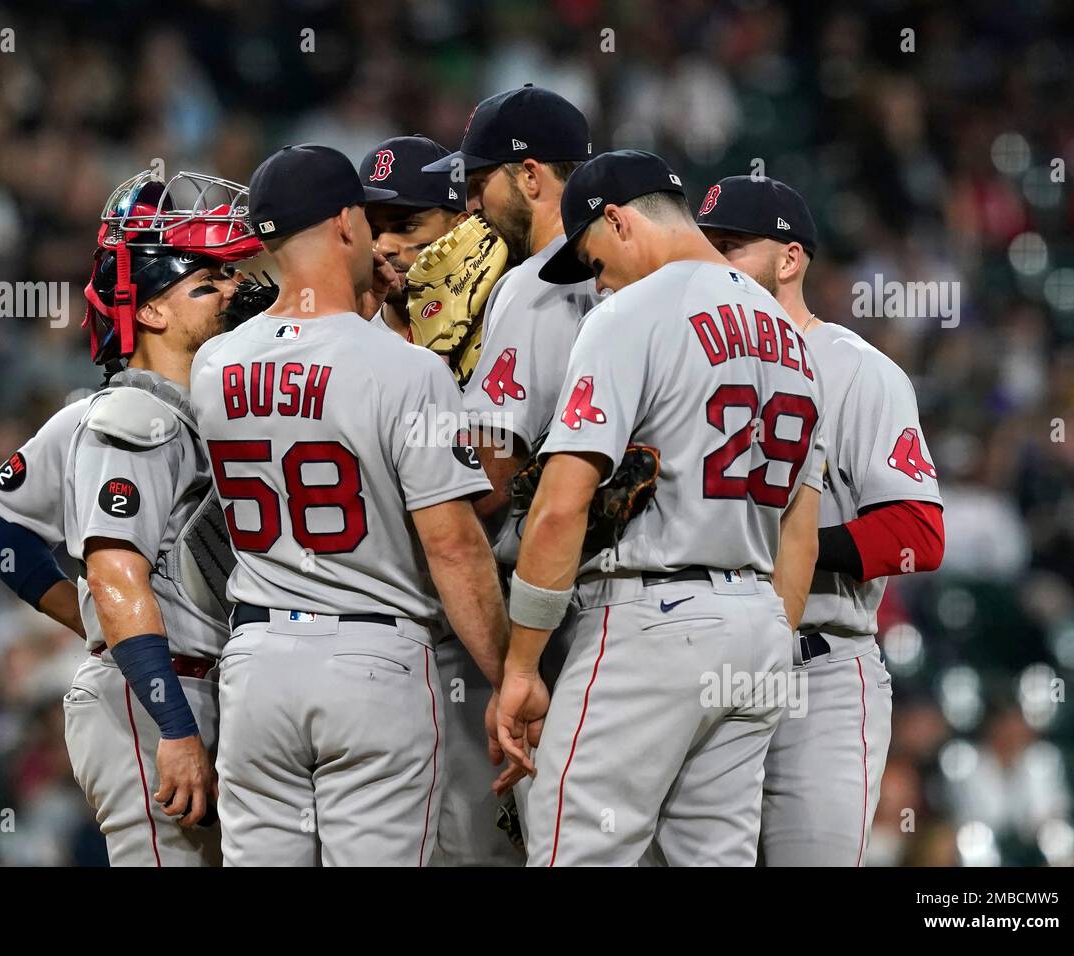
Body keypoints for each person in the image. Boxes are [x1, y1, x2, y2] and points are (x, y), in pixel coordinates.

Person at [497, 150, 825, 866]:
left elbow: (559, 509)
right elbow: (800, 531)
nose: (596, 280)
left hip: (651, 624)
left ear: (617, 220)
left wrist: (521, 665)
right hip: (756, 624)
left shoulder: (631, 315)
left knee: (574, 854)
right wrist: (761, 633)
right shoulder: (793, 341)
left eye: (592, 259)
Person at [190, 144, 509, 866]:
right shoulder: (406, 370)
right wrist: (508, 675)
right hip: (375, 658)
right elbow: (455, 546)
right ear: (344, 222)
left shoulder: (215, 365)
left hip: (257, 661)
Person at [0, 169, 265, 866]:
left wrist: (96, 622)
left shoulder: (95, 416)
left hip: (182, 681)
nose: (233, 291)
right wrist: (163, 705)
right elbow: (109, 570)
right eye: (209, 280)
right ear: (154, 311)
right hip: (158, 700)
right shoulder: (133, 417)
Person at [697, 175, 944, 866]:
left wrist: (793, 549)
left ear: (789, 259)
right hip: (709, 663)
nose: (714, 264)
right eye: (706, 246)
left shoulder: (860, 372)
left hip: (822, 669)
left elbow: (918, 534)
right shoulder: (692, 361)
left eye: (733, 246)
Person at [418, 83, 602, 864]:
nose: (467, 202)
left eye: (479, 179)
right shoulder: (654, 277)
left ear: (531, 178)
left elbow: (492, 478)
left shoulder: (533, 287)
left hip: (550, 613)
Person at [357, 135, 468, 342]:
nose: (382, 247)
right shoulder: (347, 338)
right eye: (372, 231)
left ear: (459, 229)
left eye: (406, 227)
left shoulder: (496, 327)